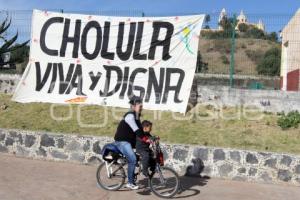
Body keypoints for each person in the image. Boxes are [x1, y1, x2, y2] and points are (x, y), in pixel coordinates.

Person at [114, 96, 143, 190]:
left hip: (129, 141)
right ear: (133, 106)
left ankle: (131, 169)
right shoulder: (130, 116)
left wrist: (151, 138)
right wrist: (144, 138)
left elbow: (142, 132)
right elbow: (137, 131)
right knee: (133, 159)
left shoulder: (137, 117)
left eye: (141, 103)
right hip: (122, 142)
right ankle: (130, 183)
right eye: (139, 104)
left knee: (139, 155)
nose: (141, 105)